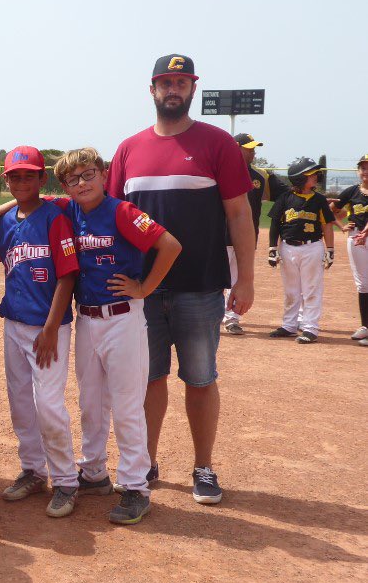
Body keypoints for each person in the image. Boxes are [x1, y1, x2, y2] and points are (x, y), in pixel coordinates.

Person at [106, 54, 255, 505]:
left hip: (200, 287)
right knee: (149, 380)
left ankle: (203, 467)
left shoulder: (218, 144)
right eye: (165, 82)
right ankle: (145, 463)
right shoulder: (129, 149)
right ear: (152, 89)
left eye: (181, 82)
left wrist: (245, 279)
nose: (173, 89)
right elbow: (109, 218)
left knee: (200, 379)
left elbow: (239, 213)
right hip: (143, 291)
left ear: (193, 88)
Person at [54, 147, 181, 524]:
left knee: (126, 405)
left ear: (104, 174)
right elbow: (31, 199)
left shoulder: (122, 212)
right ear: (65, 185)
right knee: (91, 402)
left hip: (123, 318)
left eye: (88, 174)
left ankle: (136, 487)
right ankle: (93, 472)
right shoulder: (69, 210)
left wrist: (144, 287)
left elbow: (170, 246)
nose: (82, 183)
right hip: (87, 320)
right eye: (73, 179)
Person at [0, 146, 81, 518]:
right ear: (6, 179)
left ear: (43, 179)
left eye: (30, 175)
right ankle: (32, 470)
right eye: (15, 176)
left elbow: (68, 275)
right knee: (22, 402)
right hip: (14, 323)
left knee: (49, 405)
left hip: (47, 327)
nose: (22, 181)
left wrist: (51, 328)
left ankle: (66, 481)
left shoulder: (54, 217)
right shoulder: (10, 220)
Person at [222, 134, 286, 334]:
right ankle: (214, 315)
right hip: (218, 237)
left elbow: (288, 194)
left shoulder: (260, 176)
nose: (253, 152)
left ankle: (232, 318)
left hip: (246, 238)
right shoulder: (218, 172)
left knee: (238, 279)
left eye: (254, 148)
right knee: (216, 280)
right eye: (249, 148)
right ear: (235, 148)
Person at [267, 157, 335, 344]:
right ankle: (289, 326)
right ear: (299, 178)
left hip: (312, 247)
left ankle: (310, 327)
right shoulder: (285, 198)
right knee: (291, 290)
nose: (316, 177)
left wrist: (330, 249)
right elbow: (275, 224)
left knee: (311, 289)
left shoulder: (319, 200)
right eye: (311, 174)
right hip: (288, 248)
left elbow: (327, 225)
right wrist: (273, 248)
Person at [329, 153, 368, 346]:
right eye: (363, 167)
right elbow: (331, 209)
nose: (366, 171)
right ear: (358, 171)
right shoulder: (352, 191)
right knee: (362, 283)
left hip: (364, 236)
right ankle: (365, 326)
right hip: (356, 238)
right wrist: (341, 225)